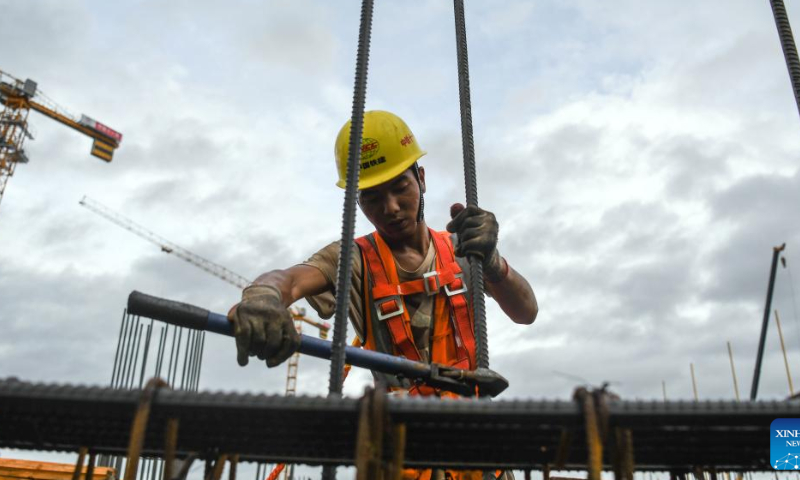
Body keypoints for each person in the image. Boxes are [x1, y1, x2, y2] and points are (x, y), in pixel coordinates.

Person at [229, 110, 537, 480]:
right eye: (373, 197)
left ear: (421, 179)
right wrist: (263, 297)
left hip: (477, 453)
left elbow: (526, 311)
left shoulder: (464, 249)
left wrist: (492, 262)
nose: (390, 208)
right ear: (358, 202)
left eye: (399, 188)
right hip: (400, 457)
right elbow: (289, 280)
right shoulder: (353, 259)